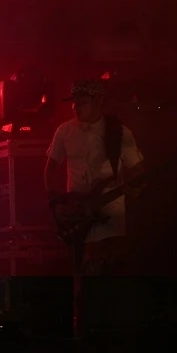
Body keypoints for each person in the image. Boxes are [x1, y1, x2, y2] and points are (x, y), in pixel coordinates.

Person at [44, 78, 145, 275]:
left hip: (109, 215)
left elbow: (138, 171)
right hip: (77, 215)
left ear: (98, 101)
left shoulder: (119, 133)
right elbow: (50, 171)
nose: (75, 107)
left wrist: (134, 187)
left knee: (108, 268)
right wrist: (56, 204)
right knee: (82, 271)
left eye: (82, 102)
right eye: (74, 102)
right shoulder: (65, 131)